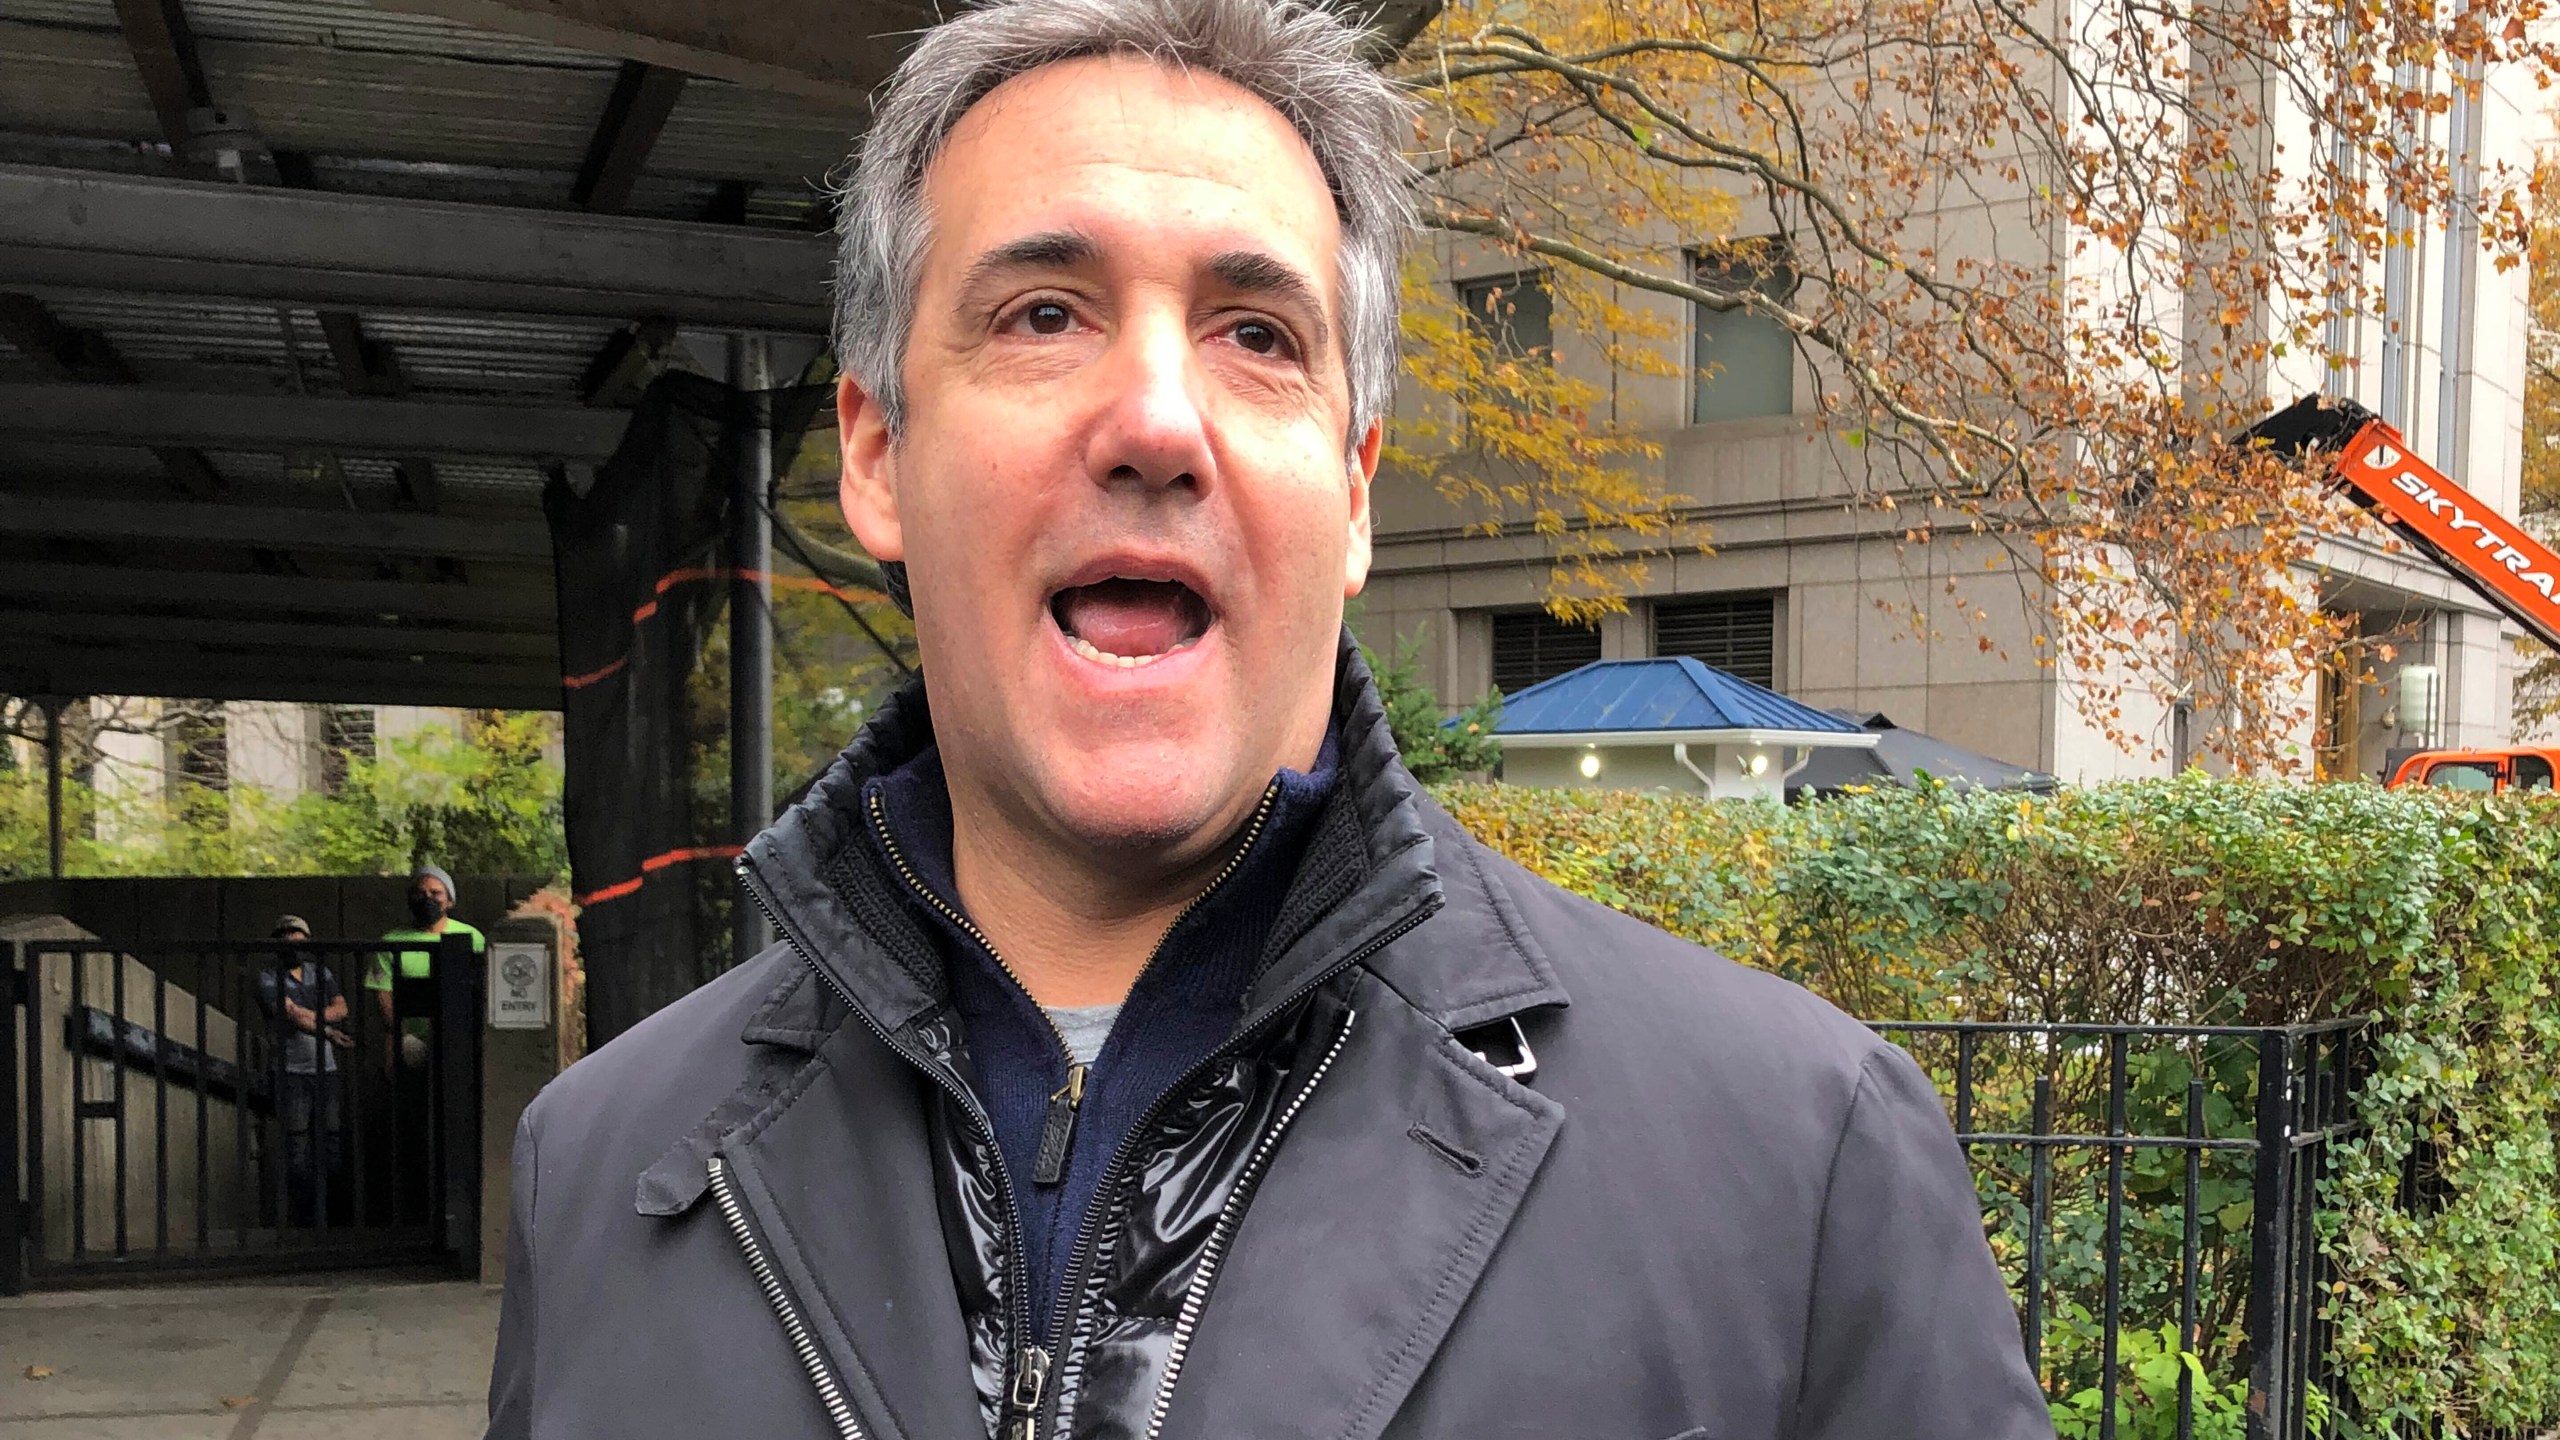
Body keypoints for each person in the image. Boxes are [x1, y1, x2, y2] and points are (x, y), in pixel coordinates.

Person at [486, 0, 2055, 1435]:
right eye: (1043, 312)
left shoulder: (1798, 1172)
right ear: (878, 452)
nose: (1158, 420)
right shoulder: (598, 1177)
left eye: (1259, 336)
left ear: (1357, 493)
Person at [371, 865, 484, 1220]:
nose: (428, 899)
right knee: (415, 1123)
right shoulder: (391, 942)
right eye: (420, 893)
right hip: (412, 1041)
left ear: (449, 900)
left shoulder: (473, 938)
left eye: (435, 893)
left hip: (458, 1045)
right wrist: (398, 1033)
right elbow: (382, 993)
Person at [254, 915, 350, 1227]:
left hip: (326, 1069)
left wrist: (310, 1015)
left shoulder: (318, 971)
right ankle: (304, 1218)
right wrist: (328, 1030)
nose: (291, 941)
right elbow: (287, 1014)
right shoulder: (267, 977)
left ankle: (332, 1216)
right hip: (291, 1070)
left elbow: (341, 1007)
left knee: (331, 1141)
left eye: (297, 936)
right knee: (297, 1144)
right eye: (284, 936)